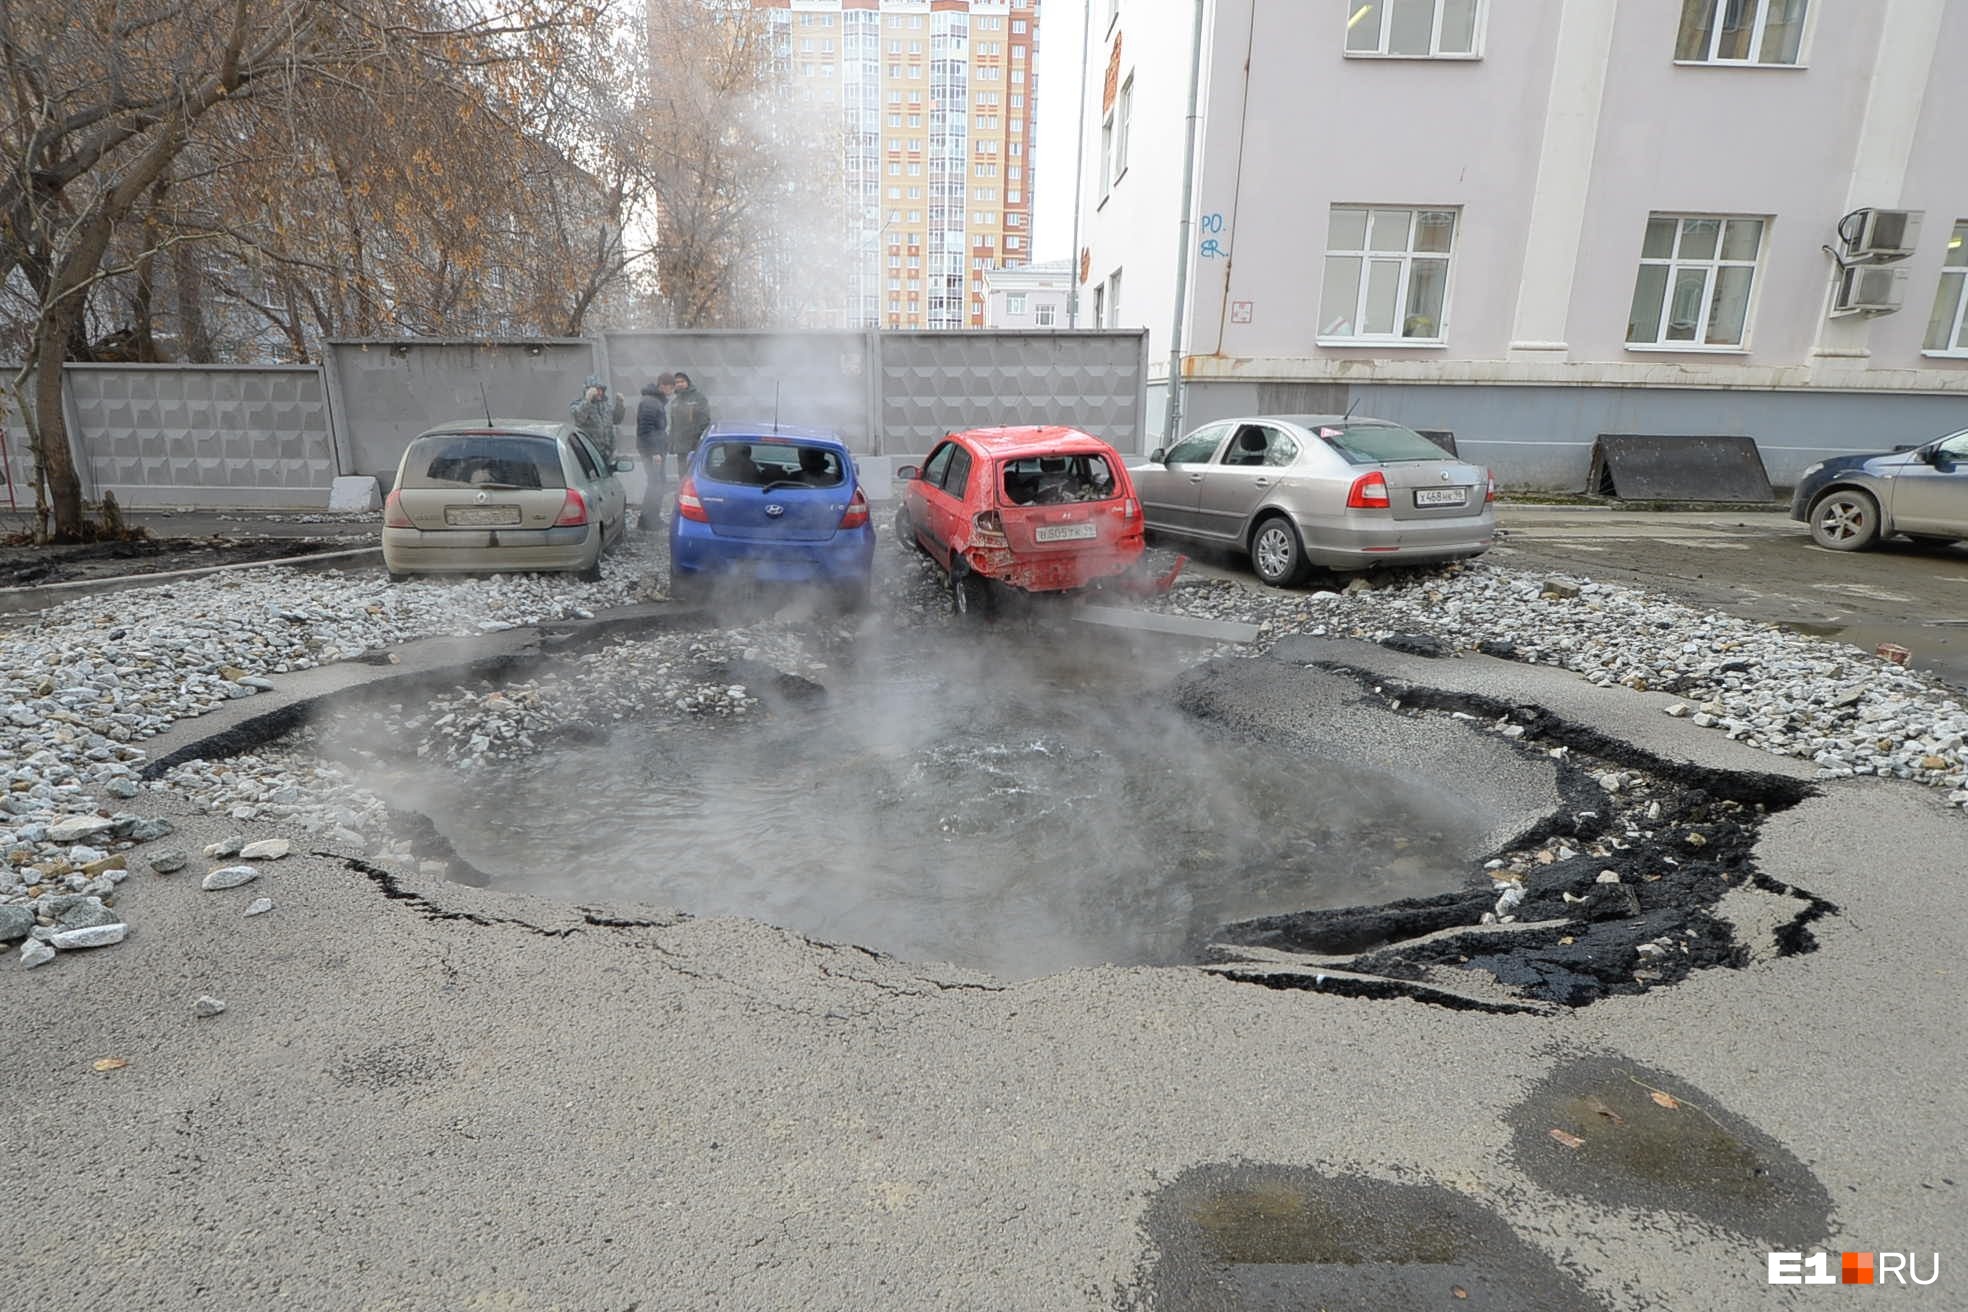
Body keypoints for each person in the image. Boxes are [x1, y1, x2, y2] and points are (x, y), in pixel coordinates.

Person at [635, 374, 675, 531]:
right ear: (663, 386)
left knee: (658, 483)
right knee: (655, 484)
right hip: (652, 452)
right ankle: (647, 521)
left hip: (656, 450)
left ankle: (652, 519)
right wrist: (654, 452)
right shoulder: (651, 403)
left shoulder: (654, 401)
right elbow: (645, 430)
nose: (672, 392)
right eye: (671, 388)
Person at [569, 375, 625, 464]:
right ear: (587, 390)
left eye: (601, 390)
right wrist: (588, 401)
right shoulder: (577, 404)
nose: (599, 392)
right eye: (596, 390)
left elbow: (616, 420)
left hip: (607, 454)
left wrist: (619, 405)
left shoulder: (606, 405)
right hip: (589, 454)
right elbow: (579, 418)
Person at [667, 370, 712, 460]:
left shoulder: (698, 398)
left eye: (682, 381)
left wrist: (696, 437)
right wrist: (671, 445)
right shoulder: (675, 402)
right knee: (682, 472)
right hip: (680, 448)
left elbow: (705, 420)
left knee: (693, 471)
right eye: (677, 382)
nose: (679, 384)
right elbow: (673, 425)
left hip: (694, 445)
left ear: (688, 382)